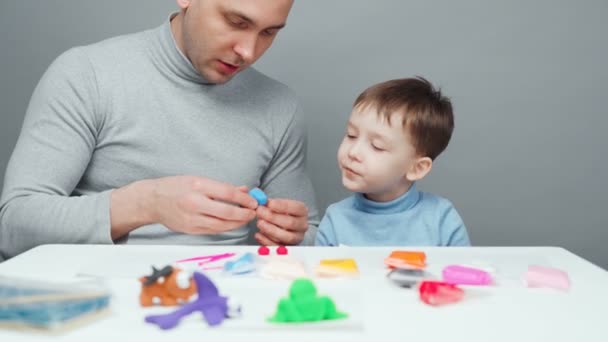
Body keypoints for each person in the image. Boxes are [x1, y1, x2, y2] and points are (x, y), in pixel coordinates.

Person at [0, 0, 319, 261]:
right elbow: (12, 226)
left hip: (224, 310)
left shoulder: (280, 106)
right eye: (237, 22)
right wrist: (145, 204)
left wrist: (293, 235)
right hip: (97, 310)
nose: (248, 51)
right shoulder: (87, 75)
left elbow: (313, 240)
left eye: (269, 32)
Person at [315, 77, 470, 247]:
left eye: (377, 146)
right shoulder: (335, 220)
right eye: (351, 135)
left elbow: (458, 272)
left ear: (417, 168)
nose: (353, 152)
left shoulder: (441, 219)